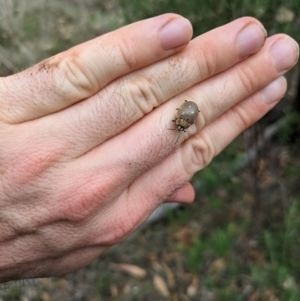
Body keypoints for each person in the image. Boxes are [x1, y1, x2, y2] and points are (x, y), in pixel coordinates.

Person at [0, 13, 298, 283]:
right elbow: (185, 114)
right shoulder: (183, 120)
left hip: (187, 113)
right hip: (186, 114)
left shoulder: (183, 118)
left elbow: (186, 113)